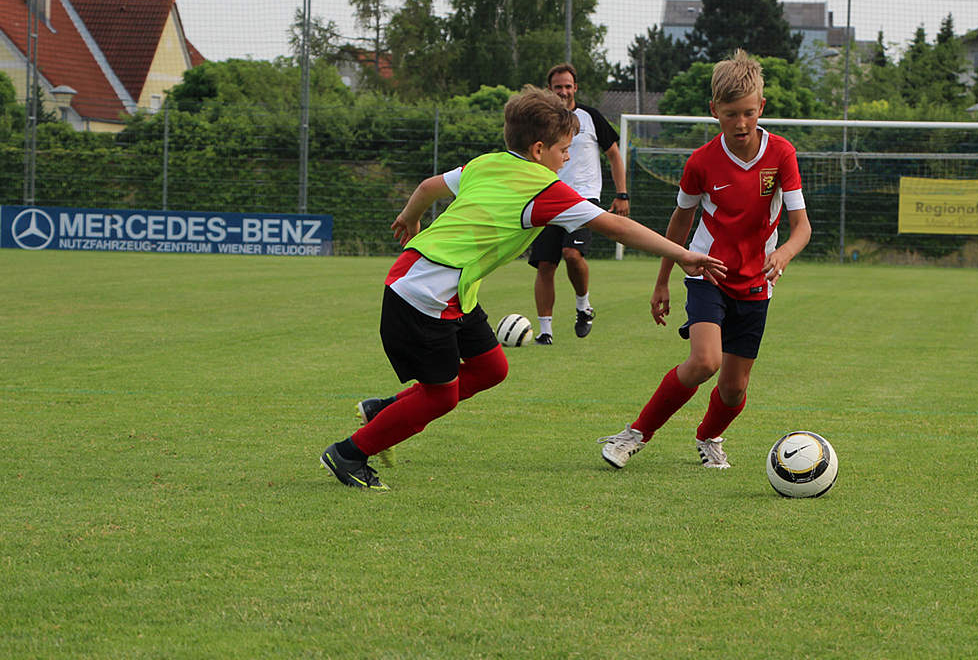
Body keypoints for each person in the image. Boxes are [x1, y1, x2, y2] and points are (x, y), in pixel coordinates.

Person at [321, 86, 726, 491]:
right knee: (439, 397)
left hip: (437, 283)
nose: (568, 157)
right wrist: (684, 254)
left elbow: (429, 187)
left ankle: (382, 410)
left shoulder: (487, 163)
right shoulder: (543, 190)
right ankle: (349, 453)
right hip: (426, 296)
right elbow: (616, 225)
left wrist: (410, 219)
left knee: (491, 368)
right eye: (564, 149)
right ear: (537, 150)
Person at [596, 49, 811, 471]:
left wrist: (783, 253)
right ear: (715, 110)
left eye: (749, 112)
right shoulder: (700, 162)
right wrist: (662, 280)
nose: (742, 123)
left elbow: (802, 226)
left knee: (733, 390)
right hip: (706, 273)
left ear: (761, 107)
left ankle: (709, 437)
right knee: (705, 361)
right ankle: (634, 435)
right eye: (731, 114)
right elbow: (680, 222)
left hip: (755, 284)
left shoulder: (782, 154)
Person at [525, 63, 629, 345]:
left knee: (572, 254)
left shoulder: (590, 117)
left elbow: (614, 155)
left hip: (583, 198)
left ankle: (583, 306)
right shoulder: (540, 122)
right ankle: (545, 331)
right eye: (558, 86)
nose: (563, 91)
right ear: (550, 89)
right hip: (547, 197)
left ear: (575, 88)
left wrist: (622, 194)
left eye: (568, 86)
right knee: (545, 264)